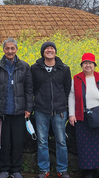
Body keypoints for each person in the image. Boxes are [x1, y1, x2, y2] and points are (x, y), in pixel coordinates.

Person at [0, 38, 33, 178]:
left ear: (17, 49)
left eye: (13, 48)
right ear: (3, 50)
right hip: (2, 112)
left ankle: (16, 170)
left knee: (18, 142)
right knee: (3, 142)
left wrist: (28, 108)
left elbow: (29, 90)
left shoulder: (24, 66)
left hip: (19, 111)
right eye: (7, 48)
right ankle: (4, 169)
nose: (10, 51)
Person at [68, 53, 99, 178]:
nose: (88, 65)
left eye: (90, 63)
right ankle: (88, 170)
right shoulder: (76, 79)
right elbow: (71, 97)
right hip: (83, 117)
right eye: (85, 63)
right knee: (85, 146)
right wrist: (72, 114)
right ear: (82, 65)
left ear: (94, 65)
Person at [31, 41, 71, 178]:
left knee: (61, 141)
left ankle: (62, 169)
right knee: (42, 141)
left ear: (55, 51)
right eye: (46, 48)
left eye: (52, 48)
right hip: (41, 110)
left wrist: (62, 104)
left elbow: (67, 89)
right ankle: (44, 169)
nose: (49, 50)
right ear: (42, 52)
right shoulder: (35, 68)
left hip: (59, 111)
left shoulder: (64, 69)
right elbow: (32, 88)